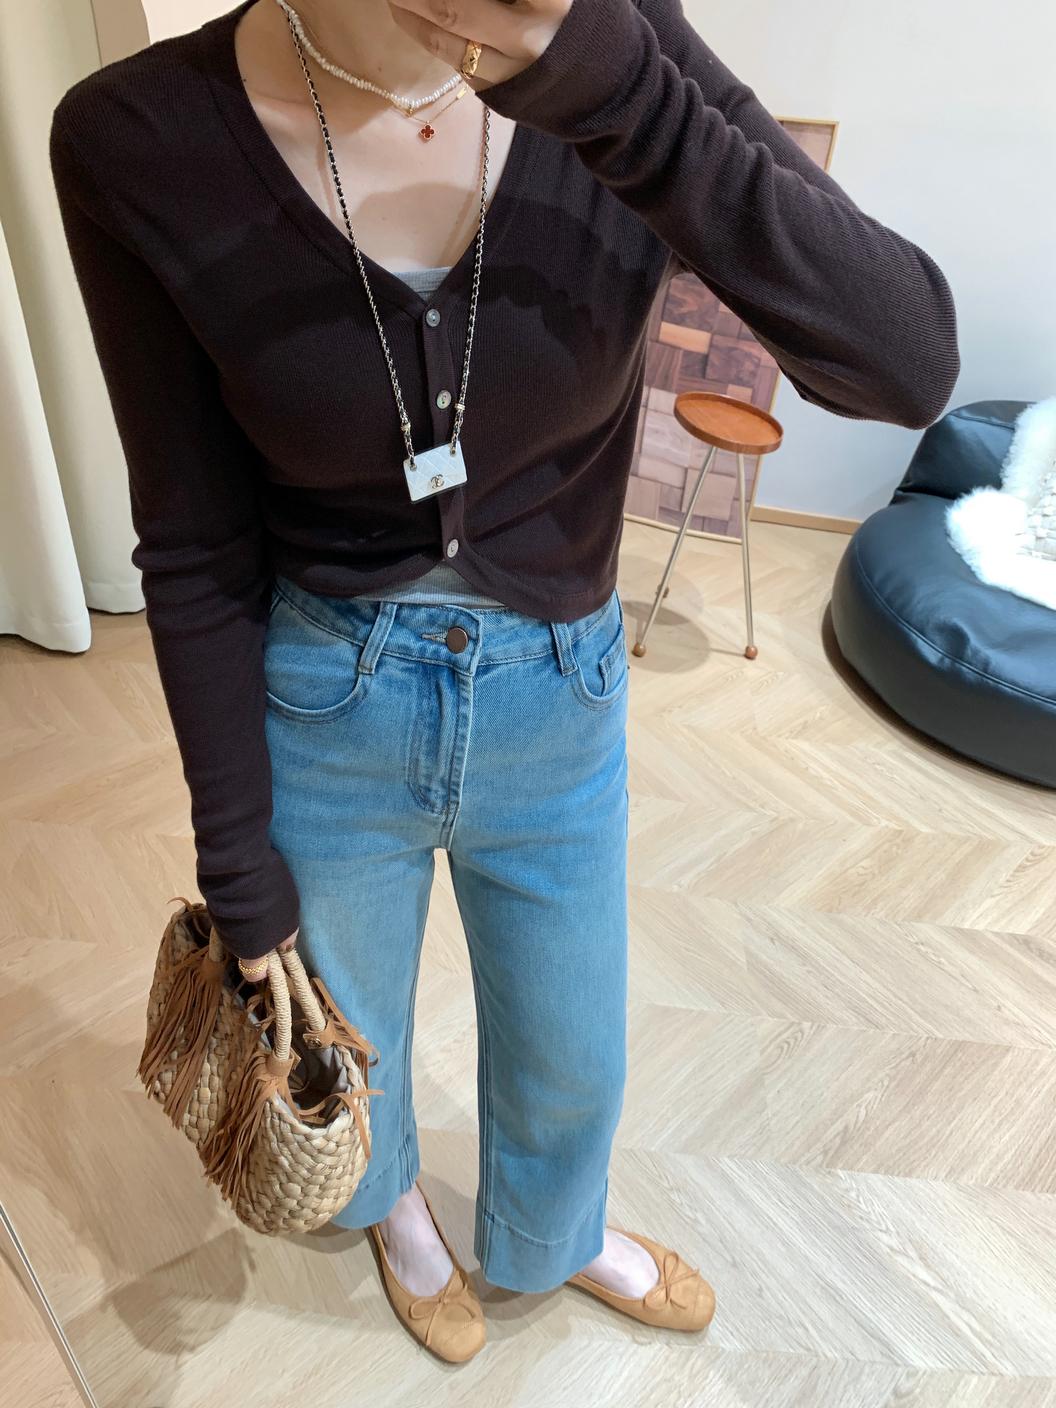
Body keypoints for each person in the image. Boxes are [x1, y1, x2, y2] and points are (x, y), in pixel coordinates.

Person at [49, 0, 959, 1364]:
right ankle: (396, 1215)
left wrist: (610, 90)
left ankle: (554, 1233)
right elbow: (190, 535)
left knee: (571, 1044)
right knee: (347, 1035)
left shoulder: (625, 50)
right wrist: (234, 857)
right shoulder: (136, 136)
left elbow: (906, 361)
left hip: (558, 692)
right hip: (324, 695)